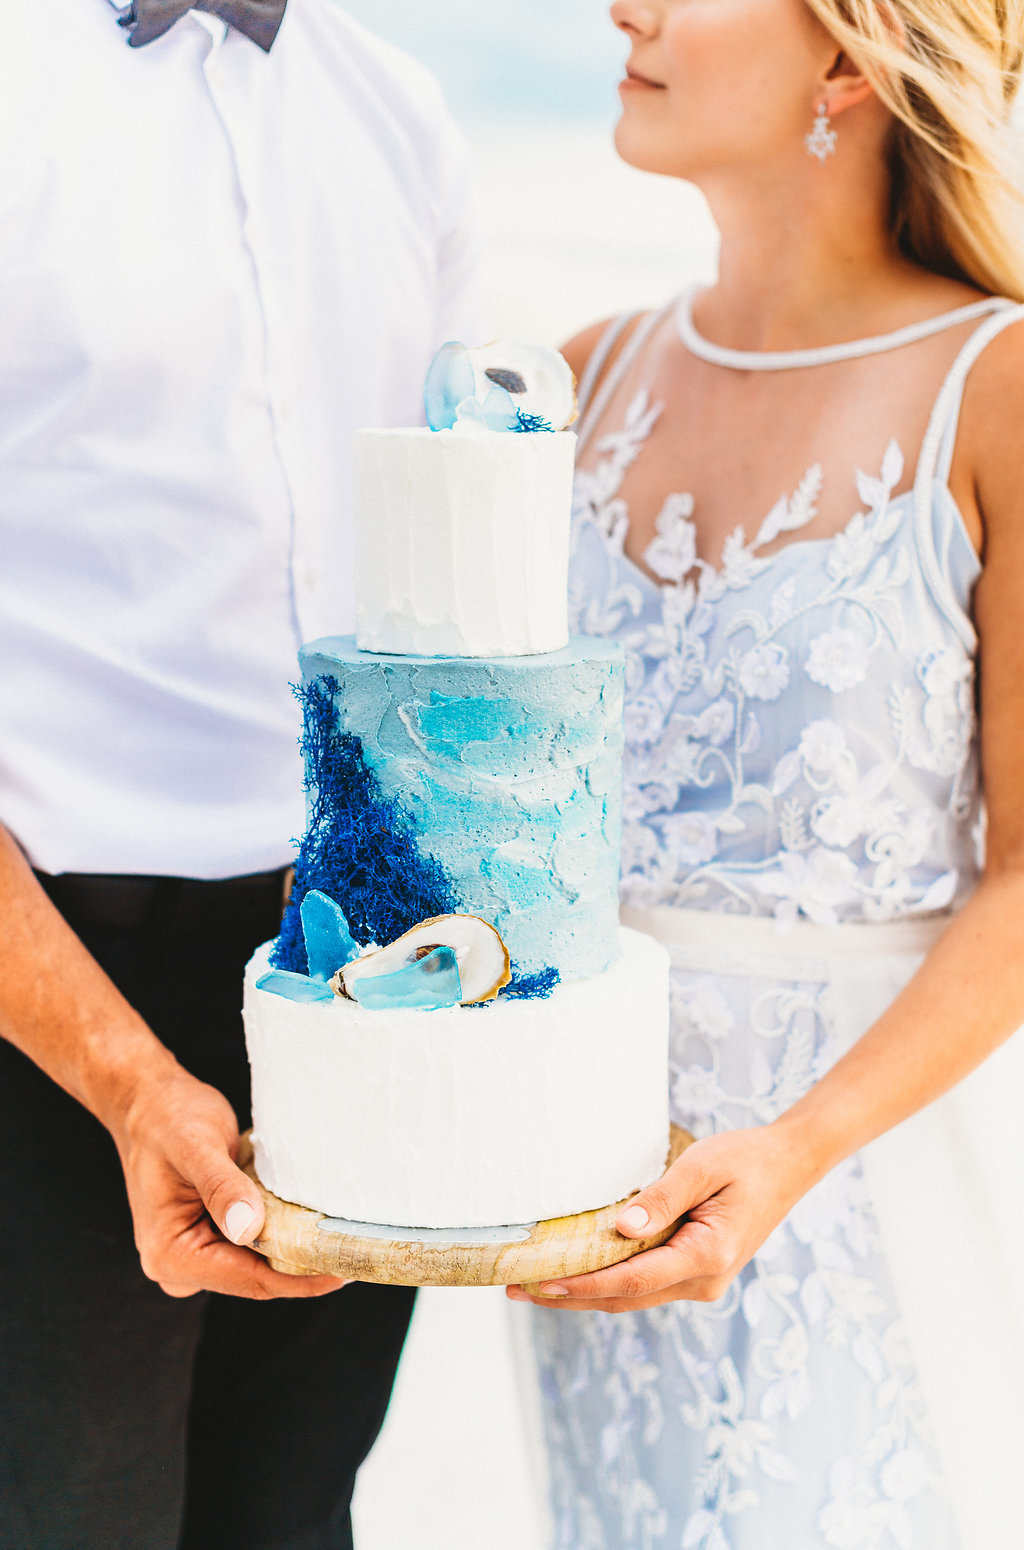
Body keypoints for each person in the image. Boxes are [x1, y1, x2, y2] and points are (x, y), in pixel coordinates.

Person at [507, 1, 1024, 1546]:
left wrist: (792, 1153)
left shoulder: (992, 390)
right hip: (601, 1225)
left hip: (866, 1186)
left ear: (853, 57)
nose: (627, 9)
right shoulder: (577, 381)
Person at [0, 1, 481, 1546]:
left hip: (356, 989)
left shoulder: (401, 114)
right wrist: (128, 1076)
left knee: (296, 1512)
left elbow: (450, 598)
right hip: (47, 1000)